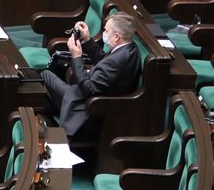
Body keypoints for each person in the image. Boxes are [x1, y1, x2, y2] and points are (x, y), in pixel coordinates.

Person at [40, 12, 141, 140]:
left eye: (106, 30)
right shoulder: (129, 48)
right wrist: (87, 40)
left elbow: (88, 89)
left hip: (88, 106)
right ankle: (50, 125)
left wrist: (77, 57)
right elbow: (104, 60)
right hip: (93, 98)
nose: (104, 32)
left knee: (44, 76)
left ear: (116, 37)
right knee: (47, 82)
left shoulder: (117, 60)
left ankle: (52, 131)